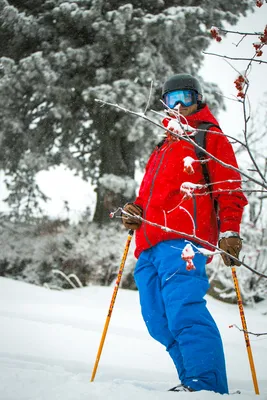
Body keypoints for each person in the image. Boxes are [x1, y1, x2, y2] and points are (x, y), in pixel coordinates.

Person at [122, 73, 248, 394]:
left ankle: (204, 385)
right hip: (149, 245)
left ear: (197, 99)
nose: (178, 105)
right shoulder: (162, 146)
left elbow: (229, 188)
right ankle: (191, 380)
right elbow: (149, 195)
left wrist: (230, 230)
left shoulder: (208, 137)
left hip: (184, 241)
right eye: (171, 99)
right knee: (157, 320)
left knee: (184, 312)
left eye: (185, 98)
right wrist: (135, 210)